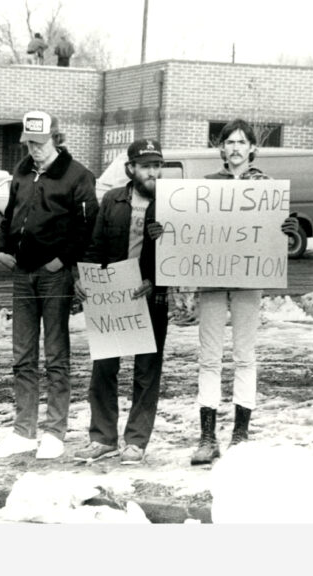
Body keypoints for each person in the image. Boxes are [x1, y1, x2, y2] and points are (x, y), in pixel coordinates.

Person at [0, 110, 98, 460]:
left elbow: (86, 228)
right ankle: (24, 431)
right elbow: (9, 214)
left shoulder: (79, 176)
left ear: (56, 138)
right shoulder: (21, 171)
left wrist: (61, 261)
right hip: (22, 272)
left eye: (39, 143)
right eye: (28, 143)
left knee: (55, 355)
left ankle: (54, 431)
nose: (33, 149)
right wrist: (1, 248)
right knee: (22, 354)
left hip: (54, 275)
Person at [191, 119, 299, 465]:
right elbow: (192, 230)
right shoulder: (206, 187)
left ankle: (240, 434)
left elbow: (272, 238)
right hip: (211, 279)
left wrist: (285, 228)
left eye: (242, 142)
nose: (235, 148)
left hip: (248, 280)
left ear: (252, 148)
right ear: (221, 148)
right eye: (229, 142)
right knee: (209, 357)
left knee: (244, 356)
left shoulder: (266, 188)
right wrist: (168, 228)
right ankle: (207, 437)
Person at [73, 138, 168, 465]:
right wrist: (85, 280)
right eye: (146, 166)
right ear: (131, 168)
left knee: (147, 372)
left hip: (151, 297)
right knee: (104, 368)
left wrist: (155, 280)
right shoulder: (113, 200)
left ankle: (136, 441)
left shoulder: (171, 204)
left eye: (157, 165)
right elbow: (95, 246)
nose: (152, 171)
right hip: (112, 296)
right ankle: (103, 438)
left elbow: (182, 257)